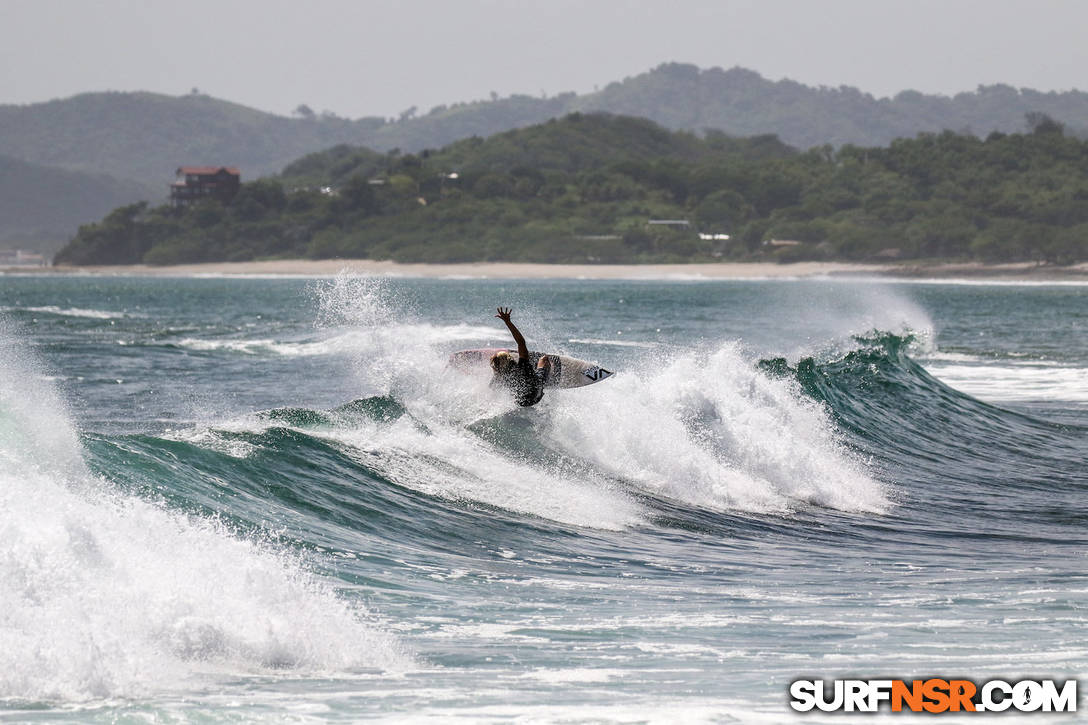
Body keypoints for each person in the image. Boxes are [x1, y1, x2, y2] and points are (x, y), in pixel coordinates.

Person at [491, 307, 552, 407]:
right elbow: (521, 342)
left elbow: (493, 387)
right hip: (537, 395)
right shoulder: (522, 366)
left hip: (522, 403)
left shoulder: (501, 374)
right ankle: (549, 372)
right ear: (510, 359)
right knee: (543, 359)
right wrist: (508, 322)